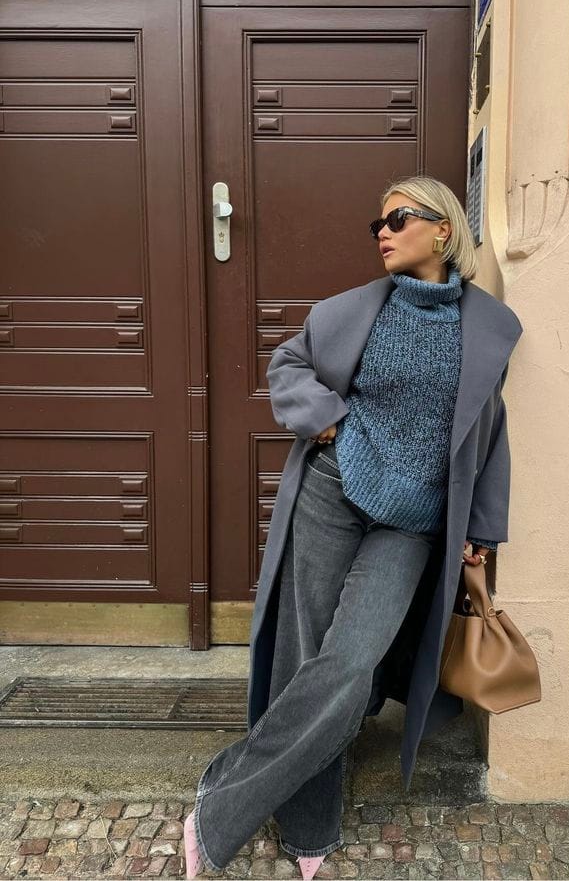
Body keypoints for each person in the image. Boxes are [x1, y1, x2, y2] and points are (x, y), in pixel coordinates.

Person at [183, 176, 511, 879]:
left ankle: (226, 793)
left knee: (352, 664)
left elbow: (492, 432)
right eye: (378, 225)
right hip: (333, 493)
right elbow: (288, 364)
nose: (382, 233)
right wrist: (328, 421)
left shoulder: (489, 328)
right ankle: (309, 824)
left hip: (412, 524)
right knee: (305, 654)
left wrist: (480, 532)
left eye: (398, 219)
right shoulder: (352, 309)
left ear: (444, 229)